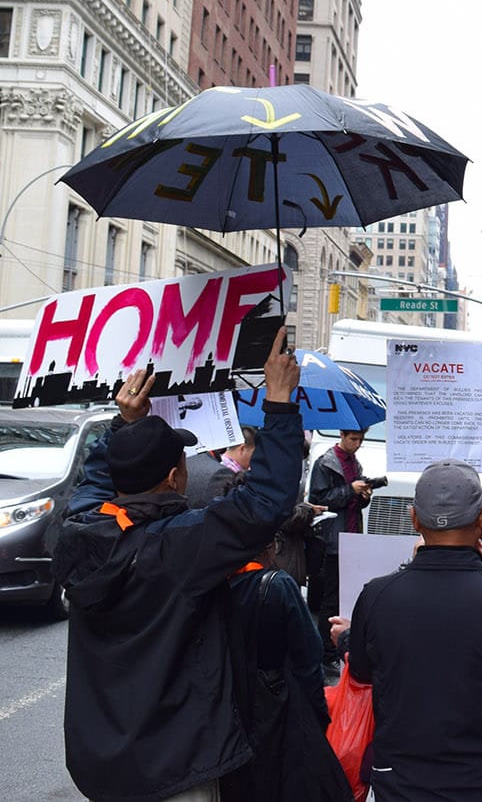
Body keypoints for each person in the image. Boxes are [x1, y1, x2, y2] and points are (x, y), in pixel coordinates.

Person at [53, 328, 302, 802]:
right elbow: (266, 502)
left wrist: (124, 426)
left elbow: (94, 485)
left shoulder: (79, 530)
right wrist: (280, 402)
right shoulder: (179, 546)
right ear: (174, 477)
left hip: (101, 762)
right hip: (174, 765)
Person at [348, 459, 482, 801]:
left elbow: (362, 670)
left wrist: (352, 635)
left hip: (404, 783)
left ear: (414, 518)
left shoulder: (377, 596)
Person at [224, 537, 351, 801]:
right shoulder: (277, 585)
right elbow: (308, 655)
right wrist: (318, 710)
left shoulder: (212, 584)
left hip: (227, 708)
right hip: (277, 706)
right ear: (270, 547)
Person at [308, 428, 372, 676]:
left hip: (352, 535)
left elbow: (354, 502)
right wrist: (350, 490)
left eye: (360, 440)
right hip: (333, 540)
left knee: (347, 598)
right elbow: (318, 499)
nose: (356, 444)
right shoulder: (327, 462)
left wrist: (363, 495)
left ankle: (336, 649)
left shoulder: (354, 463)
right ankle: (326, 653)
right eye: (353, 439)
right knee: (331, 600)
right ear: (342, 436)